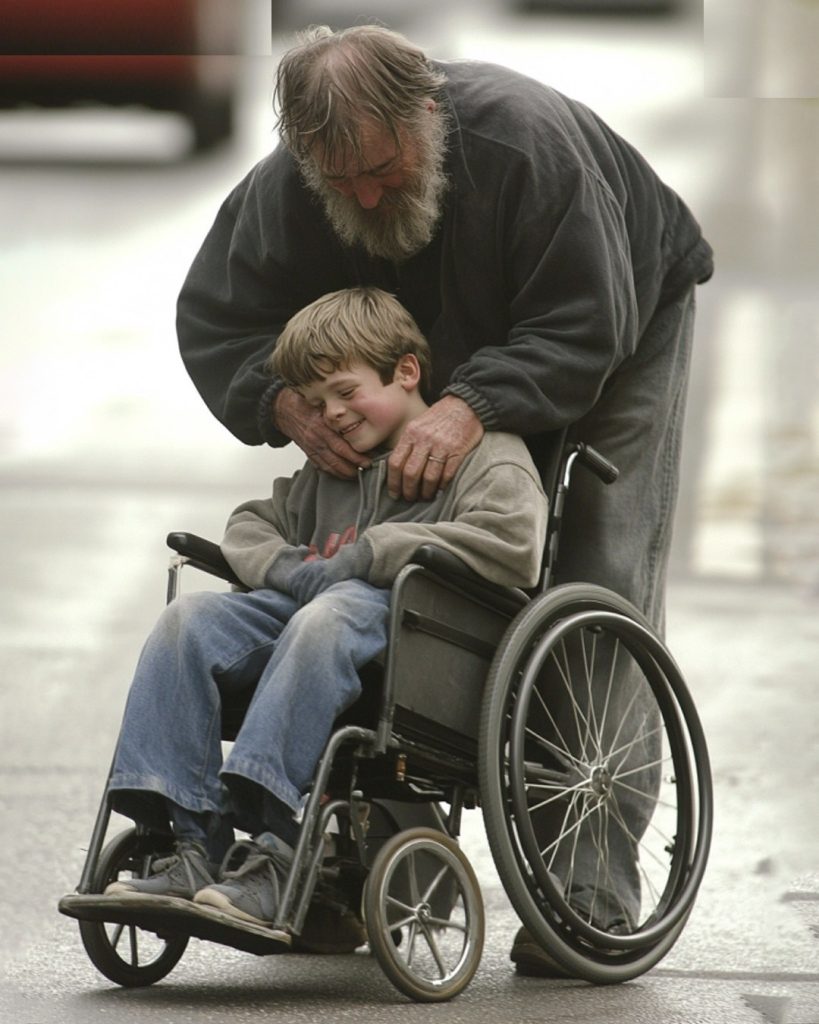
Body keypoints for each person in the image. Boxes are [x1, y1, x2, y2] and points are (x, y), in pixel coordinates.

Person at [174, 25, 714, 972]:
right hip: (409, 361)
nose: (369, 195)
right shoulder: (295, 184)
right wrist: (282, 397)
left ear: (427, 110)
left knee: (590, 568)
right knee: (390, 582)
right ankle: (372, 869)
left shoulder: (520, 146)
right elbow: (219, 316)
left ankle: (587, 884)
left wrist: (473, 404)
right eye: (343, 184)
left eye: (385, 169)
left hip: (612, 323)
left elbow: (584, 320)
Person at [101, 286, 548, 947]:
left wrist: (375, 551)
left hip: (417, 648)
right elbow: (251, 523)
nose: (330, 416)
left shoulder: (485, 452)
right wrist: (286, 566)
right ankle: (185, 842)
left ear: (405, 372)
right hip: (307, 628)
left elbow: (515, 544)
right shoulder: (330, 469)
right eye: (314, 404)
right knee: (187, 620)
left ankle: (278, 843)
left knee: (333, 610)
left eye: (344, 392)